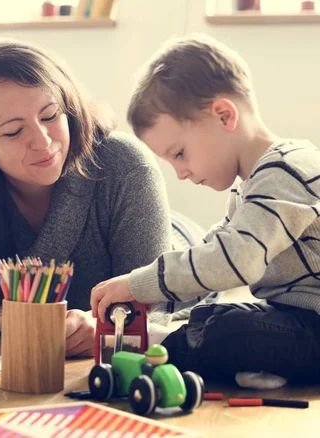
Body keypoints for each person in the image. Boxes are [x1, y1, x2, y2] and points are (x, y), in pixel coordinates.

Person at [91, 34, 320, 387]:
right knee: (213, 315)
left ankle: (163, 350)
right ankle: (200, 349)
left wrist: (141, 285)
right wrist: (161, 298)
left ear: (224, 115)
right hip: (294, 317)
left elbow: (233, 261)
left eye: (179, 154)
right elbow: (210, 254)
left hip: (314, 322)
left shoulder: (287, 169)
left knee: (230, 332)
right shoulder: (250, 185)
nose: (180, 173)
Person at [0, 40, 171, 358]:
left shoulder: (126, 164)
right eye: (14, 132)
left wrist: (103, 329)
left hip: (177, 249)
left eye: (50, 116)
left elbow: (152, 306)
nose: (43, 141)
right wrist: (20, 318)